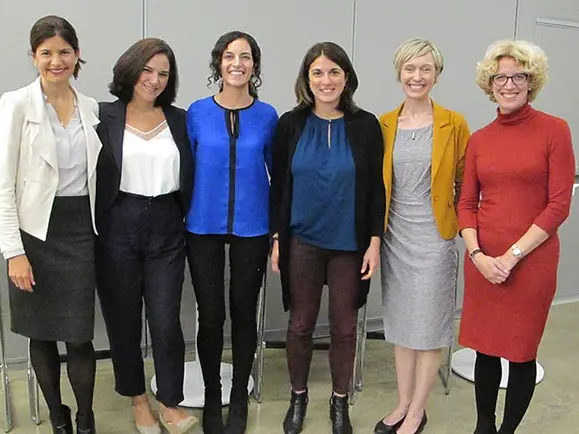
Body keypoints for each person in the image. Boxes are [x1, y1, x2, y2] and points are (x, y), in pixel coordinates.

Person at [457, 39, 575, 434]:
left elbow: (558, 205)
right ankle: (483, 427)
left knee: (521, 352)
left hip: (530, 263)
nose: (508, 84)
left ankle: (506, 431)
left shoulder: (555, 131)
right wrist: (478, 256)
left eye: (518, 76)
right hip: (483, 262)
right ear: (489, 84)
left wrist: (511, 257)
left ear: (531, 81)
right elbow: (466, 204)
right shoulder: (480, 139)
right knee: (486, 350)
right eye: (500, 77)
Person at [0, 15, 101, 434]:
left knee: (78, 334)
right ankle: (58, 417)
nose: (56, 61)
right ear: (34, 56)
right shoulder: (16, 103)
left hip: (78, 229)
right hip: (34, 233)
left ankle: (86, 417)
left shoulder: (90, 107)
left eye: (64, 52)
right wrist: (13, 251)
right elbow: (3, 184)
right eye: (46, 53)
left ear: (76, 55)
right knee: (41, 332)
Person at [270, 41, 385, 434]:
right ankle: (297, 396)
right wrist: (276, 238)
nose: (326, 80)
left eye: (334, 71)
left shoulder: (366, 125)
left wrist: (374, 240)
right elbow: (279, 188)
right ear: (307, 78)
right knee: (300, 324)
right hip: (302, 240)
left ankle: (340, 402)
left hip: (349, 244)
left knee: (343, 327)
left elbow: (375, 189)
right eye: (317, 72)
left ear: (347, 77)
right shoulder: (290, 124)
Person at [94, 38, 198, 434]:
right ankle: (138, 400)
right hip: (118, 223)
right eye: (147, 70)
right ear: (130, 69)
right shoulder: (102, 116)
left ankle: (169, 402)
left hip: (168, 224)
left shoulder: (180, 119)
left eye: (163, 74)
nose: (154, 80)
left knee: (166, 319)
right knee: (122, 321)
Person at [374, 38, 471, 434]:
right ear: (399, 73)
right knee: (400, 325)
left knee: (428, 327)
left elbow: (467, 182)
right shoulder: (383, 124)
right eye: (410, 69)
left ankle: (418, 409)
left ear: (437, 74)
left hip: (435, 239)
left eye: (426, 69)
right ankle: (401, 402)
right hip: (394, 235)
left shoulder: (454, 123)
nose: (417, 76)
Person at [185, 30, 278, 434]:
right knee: (211, 314)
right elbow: (184, 168)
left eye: (245, 56)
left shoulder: (269, 116)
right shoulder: (196, 112)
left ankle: (238, 394)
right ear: (218, 64)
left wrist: (276, 233)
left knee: (243, 311)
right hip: (202, 225)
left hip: (252, 227)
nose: (236, 63)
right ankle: (211, 395)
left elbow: (277, 174)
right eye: (228, 56)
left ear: (254, 65)